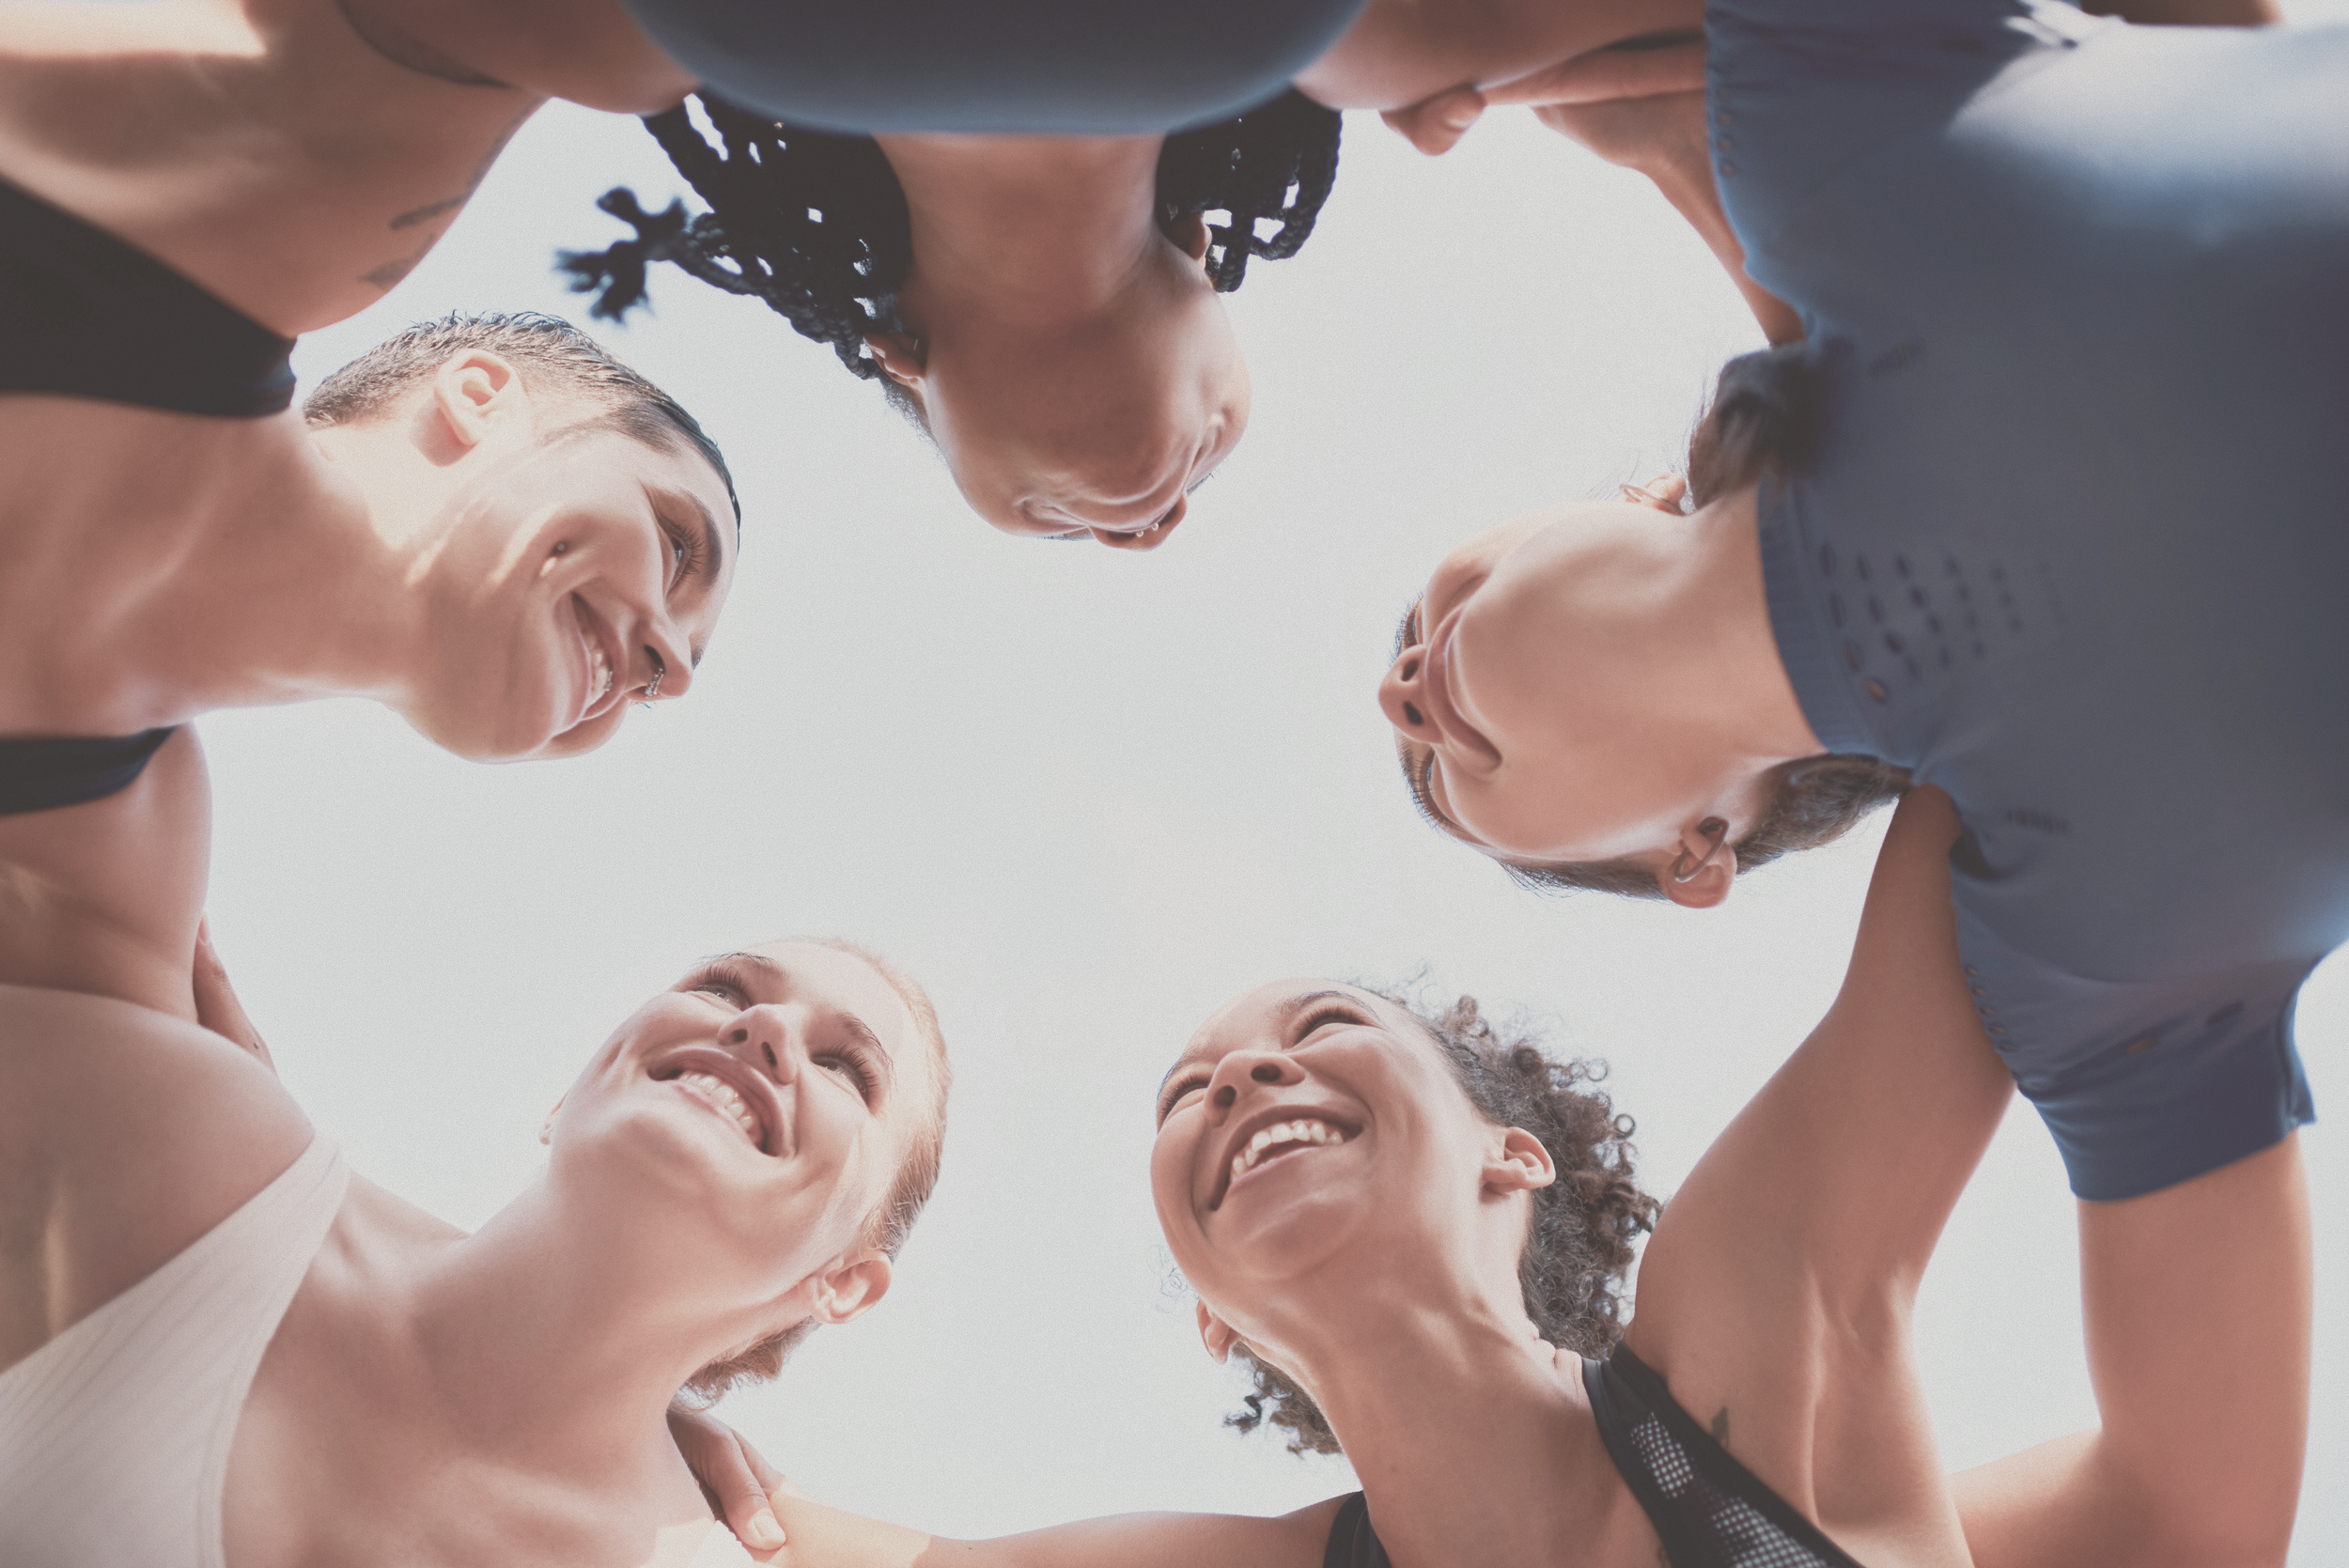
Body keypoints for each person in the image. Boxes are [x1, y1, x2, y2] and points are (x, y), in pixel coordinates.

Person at [679, 791, 2311, 1568]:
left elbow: (1990, 829)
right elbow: (763, 1531)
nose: (1241, 1077)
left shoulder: (1742, 1371)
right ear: (1212, 1314)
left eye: (1322, 1029)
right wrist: (657, 1411)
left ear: (1510, 1153)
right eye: (1187, 1093)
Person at [1375, 0, 2338, 1203]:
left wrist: (1668, 121)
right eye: (1438, 780)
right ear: (1692, 859)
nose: (1400, 693)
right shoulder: (2083, 955)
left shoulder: (1839, 149)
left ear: (1638, 497)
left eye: (1415, 623)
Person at [0, 719, 953, 1566]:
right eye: (723, 989)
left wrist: (799, 1532)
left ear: (845, 1281)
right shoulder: (205, 1183)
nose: (763, 1028)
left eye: (845, 1068)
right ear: (566, 1095)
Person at [559, 92, 1339, 546]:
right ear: (1201, 247)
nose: (1148, 528)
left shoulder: (713, 48)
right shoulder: (1317, 42)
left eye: (1060, 530)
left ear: (893, 353)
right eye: (1207, 471)